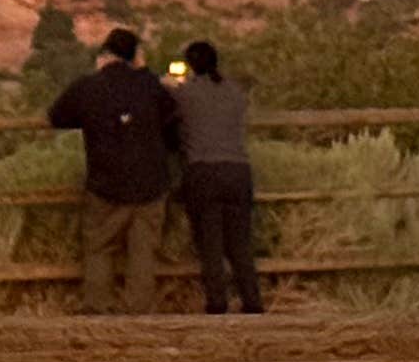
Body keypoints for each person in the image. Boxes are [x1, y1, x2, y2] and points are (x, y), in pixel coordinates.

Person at [45, 26, 181, 313]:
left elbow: (57, 116)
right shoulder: (151, 86)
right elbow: (172, 115)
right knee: (143, 252)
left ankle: (98, 307)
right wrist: (145, 73)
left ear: (105, 54)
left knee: (99, 248)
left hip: (105, 183)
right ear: (136, 56)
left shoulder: (89, 86)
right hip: (150, 182)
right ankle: (138, 311)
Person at [167, 40, 264, 315]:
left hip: (204, 171)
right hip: (238, 170)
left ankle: (217, 303)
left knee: (210, 242)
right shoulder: (235, 92)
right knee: (240, 243)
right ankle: (252, 300)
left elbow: (173, 117)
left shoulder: (184, 94)